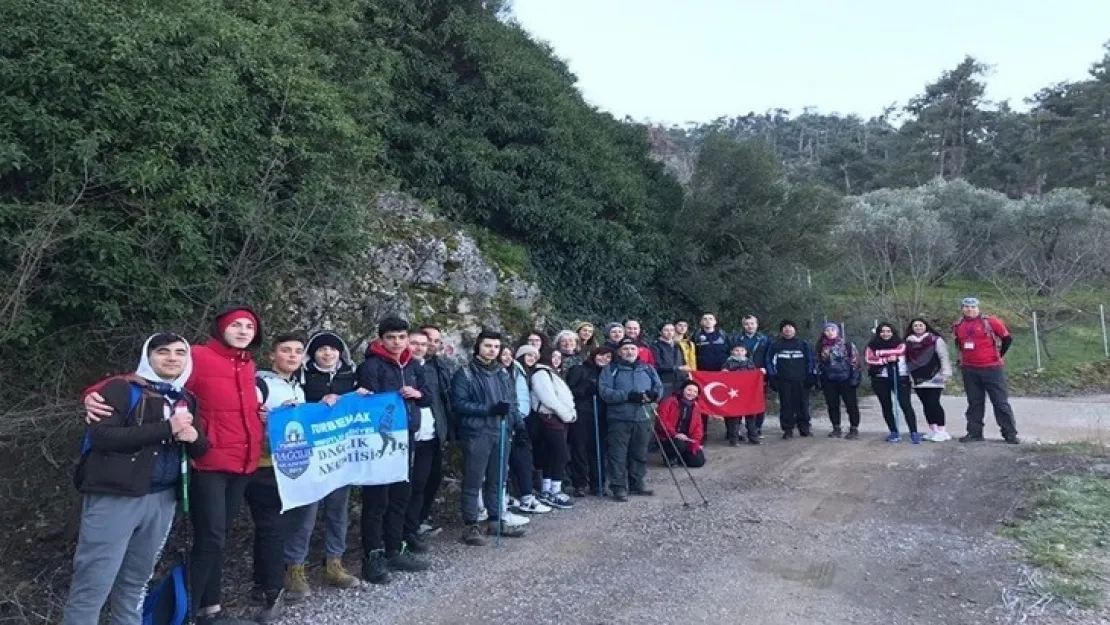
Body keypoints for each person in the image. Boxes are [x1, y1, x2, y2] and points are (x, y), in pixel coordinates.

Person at [85, 306, 265, 624]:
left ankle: (210, 607)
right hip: (207, 462)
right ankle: (189, 613)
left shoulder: (248, 365)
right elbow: (147, 379)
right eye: (235, 325)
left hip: (242, 461)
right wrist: (92, 395)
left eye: (248, 326)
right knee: (210, 538)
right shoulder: (196, 355)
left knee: (218, 537)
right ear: (221, 328)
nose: (242, 330)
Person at [64, 333, 209, 625]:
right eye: (163, 352)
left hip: (163, 498)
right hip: (115, 497)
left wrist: (194, 439)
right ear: (148, 357)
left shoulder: (185, 397)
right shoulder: (121, 389)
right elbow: (102, 436)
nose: (172, 358)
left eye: (180, 353)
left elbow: (199, 447)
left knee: (136, 582)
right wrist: (166, 427)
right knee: (93, 582)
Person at [282, 331, 361, 602]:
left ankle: (334, 564)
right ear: (312, 353)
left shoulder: (351, 375)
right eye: (321, 349)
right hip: (311, 455)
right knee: (306, 513)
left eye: (332, 349)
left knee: (338, 510)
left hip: (341, 455)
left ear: (341, 352)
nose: (327, 354)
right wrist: (314, 405)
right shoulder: (301, 376)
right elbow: (294, 407)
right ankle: (295, 568)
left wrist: (360, 396)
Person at [356, 317, 431, 583]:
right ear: (381, 339)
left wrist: (417, 394)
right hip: (378, 441)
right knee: (377, 499)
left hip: (406, 438)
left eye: (401, 337)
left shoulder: (414, 365)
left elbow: (428, 397)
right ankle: (372, 555)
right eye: (391, 338)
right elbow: (367, 400)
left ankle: (394, 548)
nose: (397, 342)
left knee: (400, 496)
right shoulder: (370, 365)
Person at [246, 333, 307, 623]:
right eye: (286, 350)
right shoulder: (260, 383)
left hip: (287, 466)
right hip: (261, 466)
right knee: (272, 527)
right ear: (272, 355)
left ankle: (261, 583)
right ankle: (273, 592)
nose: (293, 356)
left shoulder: (298, 386)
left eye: (298, 351)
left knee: (270, 527)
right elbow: (248, 415)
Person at [451, 331, 527, 545]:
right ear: (478, 347)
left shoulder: (502, 373)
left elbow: (511, 402)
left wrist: (519, 426)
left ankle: (495, 520)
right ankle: (470, 525)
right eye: (488, 346)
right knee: (473, 480)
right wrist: (489, 409)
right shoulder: (464, 374)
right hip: (476, 432)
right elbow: (459, 404)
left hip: (501, 430)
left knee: (498, 479)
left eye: (496, 347)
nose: (492, 350)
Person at [402, 330, 451, 553]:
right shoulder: (401, 370)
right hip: (408, 436)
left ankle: (413, 528)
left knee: (423, 484)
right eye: (417, 343)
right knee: (407, 487)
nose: (422, 347)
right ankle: (401, 534)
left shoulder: (432, 367)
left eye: (428, 343)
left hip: (431, 433)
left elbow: (438, 401)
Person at [599, 338, 664, 502]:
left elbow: (659, 387)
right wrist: (627, 396)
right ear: (620, 352)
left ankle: (637, 483)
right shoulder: (612, 369)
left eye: (632, 349)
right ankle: (619, 487)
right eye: (626, 349)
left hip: (643, 417)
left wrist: (654, 395)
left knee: (640, 452)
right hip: (619, 418)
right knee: (618, 454)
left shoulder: (648, 368)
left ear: (638, 351)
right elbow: (605, 392)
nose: (629, 352)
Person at [953, 298, 1019, 444]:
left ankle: (1010, 434)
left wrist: (998, 356)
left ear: (978, 308)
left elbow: (1007, 339)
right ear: (962, 308)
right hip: (969, 369)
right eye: (966, 307)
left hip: (992, 368)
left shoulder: (991, 322)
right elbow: (959, 343)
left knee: (1000, 402)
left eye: (973, 307)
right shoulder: (958, 324)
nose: (970, 309)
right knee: (974, 403)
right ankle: (974, 433)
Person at [413, 325, 455, 536]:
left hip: (436, 430)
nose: (431, 343)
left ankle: (421, 519)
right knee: (418, 481)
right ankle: (411, 526)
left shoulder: (440, 365)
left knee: (433, 478)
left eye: (436, 340)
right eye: (428, 338)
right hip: (417, 431)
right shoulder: (414, 367)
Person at [498, 346, 550, 517]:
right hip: (502, 421)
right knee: (501, 463)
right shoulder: (498, 373)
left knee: (523, 458)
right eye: (503, 354)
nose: (506, 357)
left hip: (519, 420)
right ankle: (502, 499)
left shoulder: (516, 370)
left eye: (508, 354)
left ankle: (526, 496)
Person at [528, 349, 578, 508]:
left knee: (552, 454)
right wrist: (567, 414)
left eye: (558, 357)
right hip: (551, 418)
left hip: (558, 418)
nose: (556, 359)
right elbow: (549, 399)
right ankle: (554, 490)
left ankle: (547, 489)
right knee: (560, 454)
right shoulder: (541, 374)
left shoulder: (552, 373)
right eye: (552, 356)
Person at [566, 346, 613, 497]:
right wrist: (585, 390)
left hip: (601, 415)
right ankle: (580, 483)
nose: (603, 359)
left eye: (608, 357)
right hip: (582, 414)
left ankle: (598, 482)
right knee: (579, 448)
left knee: (598, 449)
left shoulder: (609, 373)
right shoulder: (580, 369)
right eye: (601, 355)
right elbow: (569, 391)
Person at [865, 323, 921, 444]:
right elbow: (869, 359)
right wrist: (885, 359)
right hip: (880, 378)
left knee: (905, 405)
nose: (885, 334)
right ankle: (893, 431)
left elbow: (900, 351)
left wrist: (879, 354)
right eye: (882, 331)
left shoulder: (901, 344)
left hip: (900, 377)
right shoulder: (872, 345)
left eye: (888, 331)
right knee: (886, 406)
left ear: (893, 332)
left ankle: (914, 432)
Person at [905, 318, 955, 442]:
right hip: (917, 377)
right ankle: (933, 430)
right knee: (926, 405)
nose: (918, 327)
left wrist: (946, 373)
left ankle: (942, 430)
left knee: (934, 403)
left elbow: (943, 356)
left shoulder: (936, 340)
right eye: (915, 325)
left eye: (920, 325)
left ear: (926, 326)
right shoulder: (908, 342)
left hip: (935, 376)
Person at [765, 320, 816, 439]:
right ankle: (788, 429)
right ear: (781, 331)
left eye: (790, 327)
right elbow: (769, 361)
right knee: (786, 405)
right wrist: (772, 377)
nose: (788, 330)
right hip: (783, 380)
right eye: (785, 328)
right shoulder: (775, 345)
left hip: (801, 380)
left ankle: (804, 428)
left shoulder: (803, 344)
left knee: (803, 405)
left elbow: (811, 360)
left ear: (795, 330)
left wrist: (811, 375)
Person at [815, 323, 862, 440]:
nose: (830, 332)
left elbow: (855, 361)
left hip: (846, 378)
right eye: (827, 330)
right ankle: (836, 427)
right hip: (829, 380)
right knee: (832, 405)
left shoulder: (847, 344)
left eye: (832, 330)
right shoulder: (821, 346)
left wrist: (855, 378)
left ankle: (854, 428)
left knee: (851, 405)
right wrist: (819, 378)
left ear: (837, 331)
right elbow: (818, 363)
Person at [655, 380, 707, 468]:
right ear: (683, 390)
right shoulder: (669, 401)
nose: (692, 393)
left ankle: (681, 457)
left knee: (698, 461)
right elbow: (661, 421)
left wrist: (695, 440)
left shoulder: (696, 406)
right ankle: (670, 457)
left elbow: (698, 426)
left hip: (687, 438)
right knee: (679, 444)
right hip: (669, 436)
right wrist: (675, 434)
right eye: (689, 390)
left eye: (695, 392)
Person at [734, 315, 771, 436]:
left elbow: (769, 357)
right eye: (747, 324)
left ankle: (757, 428)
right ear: (743, 325)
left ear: (757, 324)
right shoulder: (736, 339)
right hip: (739, 376)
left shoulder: (765, 339)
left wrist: (767, 371)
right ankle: (736, 429)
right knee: (737, 401)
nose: (749, 326)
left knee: (759, 401)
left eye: (752, 323)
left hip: (758, 376)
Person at [721, 344, 760, 446]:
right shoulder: (727, 363)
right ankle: (733, 439)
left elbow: (755, 375)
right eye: (736, 350)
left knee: (750, 416)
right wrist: (724, 372)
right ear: (732, 352)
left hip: (747, 394)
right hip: (733, 395)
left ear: (746, 352)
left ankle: (753, 438)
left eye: (742, 350)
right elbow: (722, 378)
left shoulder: (749, 362)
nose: (739, 352)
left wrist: (760, 372)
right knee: (733, 418)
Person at [651, 323, 689, 397]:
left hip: (680, 382)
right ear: (660, 332)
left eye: (672, 330)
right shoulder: (655, 346)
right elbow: (657, 366)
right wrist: (676, 368)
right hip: (665, 382)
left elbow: (683, 361)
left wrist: (686, 375)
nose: (669, 332)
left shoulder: (677, 345)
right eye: (666, 330)